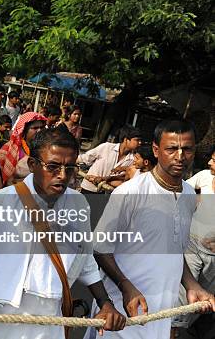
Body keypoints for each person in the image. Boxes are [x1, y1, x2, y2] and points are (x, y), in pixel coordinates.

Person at [0, 127, 126, 339]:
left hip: (48, 323)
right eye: (53, 167)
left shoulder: (79, 205)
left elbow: (85, 260)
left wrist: (105, 303)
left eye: (70, 168)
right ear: (32, 165)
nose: (62, 176)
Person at [85, 120, 215, 339]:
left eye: (187, 149)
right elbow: (99, 249)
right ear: (156, 150)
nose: (180, 156)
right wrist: (126, 286)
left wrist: (193, 286)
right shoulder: (131, 192)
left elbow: (175, 249)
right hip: (122, 314)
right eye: (172, 148)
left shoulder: (189, 196)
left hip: (161, 314)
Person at [172, 145, 215, 333]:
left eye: (214, 159)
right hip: (192, 246)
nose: (210, 162)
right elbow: (183, 191)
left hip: (213, 258)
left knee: (204, 301)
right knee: (182, 298)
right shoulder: (204, 176)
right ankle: (170, 330)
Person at [77, 125, 141, 194]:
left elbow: (124, 178)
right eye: (137, 140)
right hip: (89, 188)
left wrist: (105, 180)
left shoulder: (133, 160)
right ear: (126, 140)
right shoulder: (106, 147)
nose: (140, 143)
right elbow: (84, 158)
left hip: (106, 193)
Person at [0, 112, 47, 186]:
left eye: (42, 127)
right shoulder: (9, 149)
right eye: (35, 128)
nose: (39, 131)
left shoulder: (48, 149)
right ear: (24, 130)